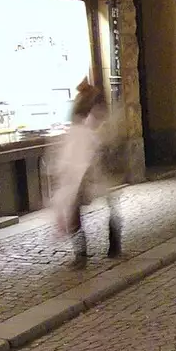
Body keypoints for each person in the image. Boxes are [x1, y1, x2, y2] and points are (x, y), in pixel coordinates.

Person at [51, 77, 122, 266]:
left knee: (78, 212)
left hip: (93, 173)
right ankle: (111, 247)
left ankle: (84, 254)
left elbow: (78, 154)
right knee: (109, 207)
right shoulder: (88, 122)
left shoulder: (85, 124)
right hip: (96, 172)